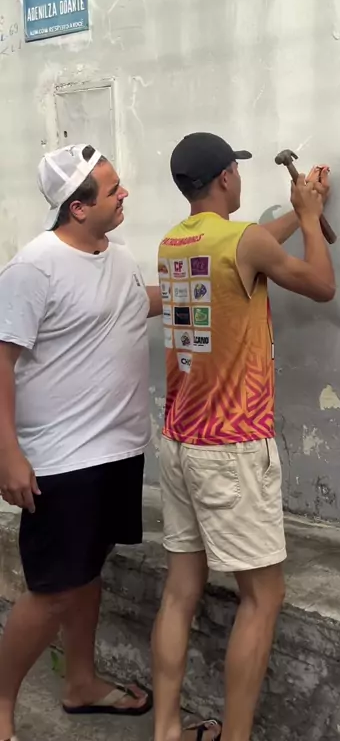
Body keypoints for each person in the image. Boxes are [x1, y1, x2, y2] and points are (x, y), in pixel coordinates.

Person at [152, 132, 336, 741]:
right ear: (227, 177)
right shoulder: (241, 242)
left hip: (180, 442)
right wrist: (309, 220)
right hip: (230, 449)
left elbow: (250, 248)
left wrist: (301, 209)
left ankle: (166, 730)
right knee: (262, 598)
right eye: (236, 170)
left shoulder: (175, 242)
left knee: (180, 592)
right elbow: (321, 284)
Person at [0, 144, 163, 741]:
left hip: (116, 452)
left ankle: (81, 683)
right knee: (50, 592)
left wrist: (226, 265)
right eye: (114, 189)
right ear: (77, 207)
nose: (125, 195)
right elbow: (1, 359)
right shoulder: (33, 268)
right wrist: (7, 454)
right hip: (61, 462)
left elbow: (137, 304)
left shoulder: (117, 258)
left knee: (88, 573)